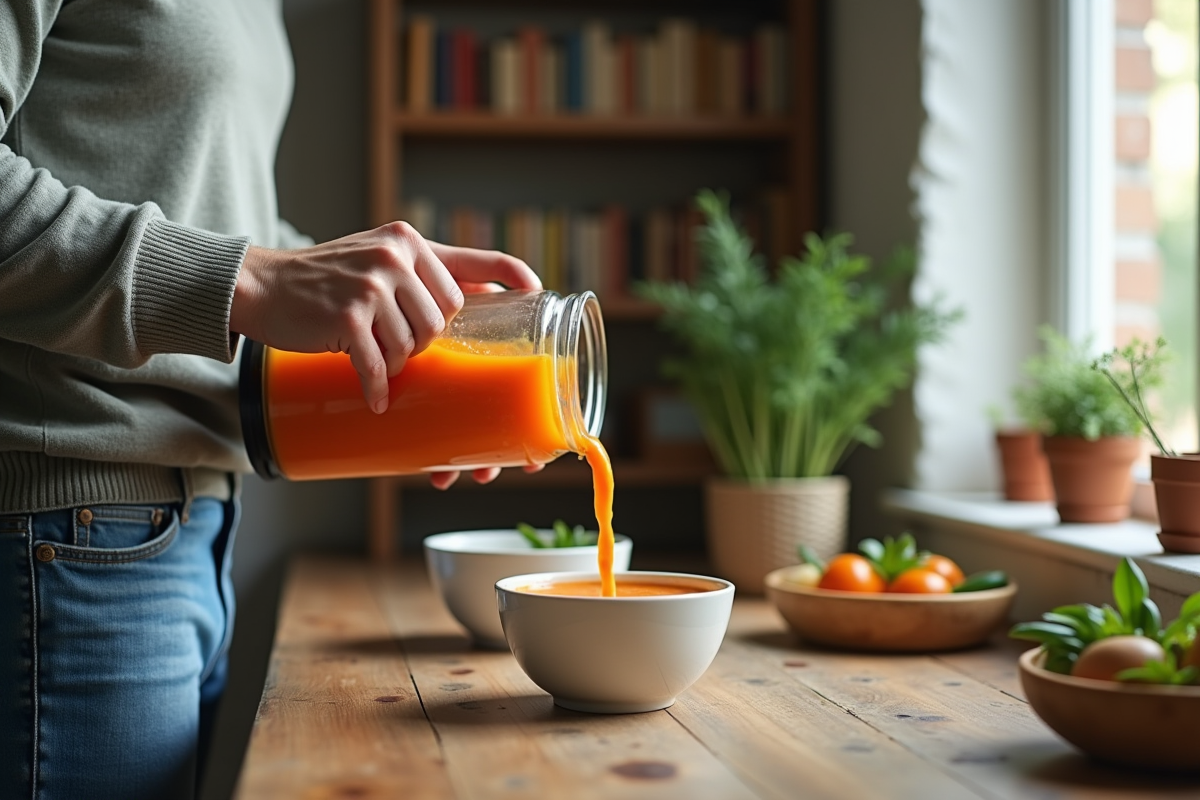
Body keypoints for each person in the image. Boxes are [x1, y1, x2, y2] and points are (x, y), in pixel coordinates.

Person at [0, 3, 540, 798]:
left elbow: (213, 212)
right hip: (72, 525)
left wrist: (399, 333)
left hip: (196, 525)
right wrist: (260, 279)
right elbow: (243, 271)